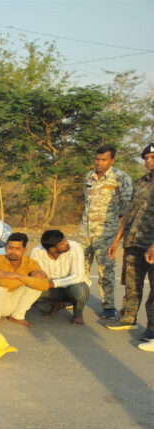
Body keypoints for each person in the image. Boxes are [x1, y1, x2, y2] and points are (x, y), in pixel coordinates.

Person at [107, 143, 154, 349]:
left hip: (152, 245)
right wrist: (117, 239)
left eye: (152, 157)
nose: (148, 161)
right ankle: (128, 318)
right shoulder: (141, 183)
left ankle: (153, 328)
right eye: (146, 158)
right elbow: (128, 213)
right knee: (132, 283)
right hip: (134, 241)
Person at [78, 144, 133, 320]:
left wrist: (117, 236)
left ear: (112, 160)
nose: (99, 163)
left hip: (107, 231)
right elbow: (87, 203)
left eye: (104, 159)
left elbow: (127, 209)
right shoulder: (89, 176)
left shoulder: (121, 178)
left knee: (105, 269)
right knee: (80, 266)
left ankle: (108, 305)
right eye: (97, 159)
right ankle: (78, 299)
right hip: (85, 230)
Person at [0, 232, 50, 327]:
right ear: (5, 248)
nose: (13, 252)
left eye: (18, 249)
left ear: (25, 250)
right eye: (10, 248)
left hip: (13, 302)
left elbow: (44, 285)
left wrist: (17, 276)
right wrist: (29, 278)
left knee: (36, 287)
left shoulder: (31, 263)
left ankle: (17, 316)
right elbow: (1, 281)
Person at [30, 229, 90, 325]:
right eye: (62, 243)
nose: (67, 243)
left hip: (70, 287)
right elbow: (33, 274)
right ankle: (55, 304)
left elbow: (78, 276)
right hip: (50, 289)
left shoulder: (75, 247)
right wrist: (35, 275)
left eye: (65, 239)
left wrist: (54, 283)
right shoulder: (37, 252)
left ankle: (78, 313)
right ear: (52, 249)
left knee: (81, 289)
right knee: (27, 291)